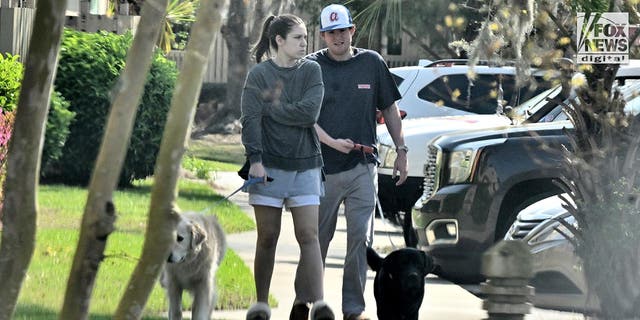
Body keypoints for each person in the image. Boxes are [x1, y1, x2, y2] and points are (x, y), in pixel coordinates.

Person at [294, 4, 409, 320]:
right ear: (323, 35)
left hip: (363, 167)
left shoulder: (371, 63)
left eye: (343, 30)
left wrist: (401, 151)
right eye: (331, 32)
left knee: (360, 240)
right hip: (321, 170)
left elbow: (389, 109)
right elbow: (303, 118)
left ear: (352, 31)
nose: (338, 37)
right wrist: (331, 142)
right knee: (317, 240)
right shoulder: (310, 67)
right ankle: (304, 301)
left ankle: (353, 309)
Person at [240, 14, 334, 320]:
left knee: (309, 236)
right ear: (279, 40)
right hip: (267, 168)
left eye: (306, 37)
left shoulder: (312, 71)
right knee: (267, 236)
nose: (305, 43)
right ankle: (261, 304)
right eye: (298, 38)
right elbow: (251, 120)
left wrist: (273, 109)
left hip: (306, 166)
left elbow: (309, 114)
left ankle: (319, 304)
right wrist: (255, 160)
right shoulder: (258, 76)